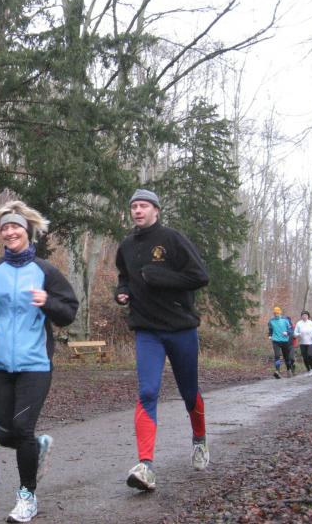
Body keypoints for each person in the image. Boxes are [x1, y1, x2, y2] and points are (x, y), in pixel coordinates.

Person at [0, 201, 79, 523]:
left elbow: (68, 312)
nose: (9, 232)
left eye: (15, 226)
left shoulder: (46, 272)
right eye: (4, 227)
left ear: (27, 231)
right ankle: (38, 447)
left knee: (22, 428)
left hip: (35, 363)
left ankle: (27, 496)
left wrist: (47, 302)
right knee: (5, 434)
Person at [114, 189, 210, 492]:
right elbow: (124, 275)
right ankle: (146, 466)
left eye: (143, 206)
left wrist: (160, 277)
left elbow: (200, 276)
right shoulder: (126, 246)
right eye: (134, 206)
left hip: (181, 328)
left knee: (189, 392)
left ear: (156, 210)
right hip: (147, 330)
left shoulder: (172, 239)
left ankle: (199, 440)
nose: (137, 211)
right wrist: (122, 291)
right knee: (147, 391)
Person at [267, 307, 294, 378]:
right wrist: (270, 335)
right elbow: (270, 330)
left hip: (285, 341)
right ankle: (277, 371)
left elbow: (291, 329)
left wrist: (287, 332)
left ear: (280, 313)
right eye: (275, 313)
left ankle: (289, 369)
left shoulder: (286, 320)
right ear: (273, 313)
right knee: (277, 355)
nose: (276, 315)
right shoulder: (271, 321)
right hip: (275, 341)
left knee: (286, 357)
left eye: (277, 313)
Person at [293, 310, 312, 375]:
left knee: (310, 355)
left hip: (311, 342)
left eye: (306, 315)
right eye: (303, 315)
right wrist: (298, 334)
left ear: (308, 316)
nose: (304, 316)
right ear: (301, 316)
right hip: (302, 343)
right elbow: (295, 333)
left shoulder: (311, 323)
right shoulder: (299, 323)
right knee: (305, 357)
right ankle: (308, 369)